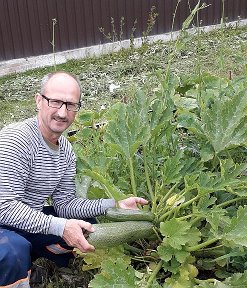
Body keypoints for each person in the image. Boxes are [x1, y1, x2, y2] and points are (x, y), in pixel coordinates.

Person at [0, 71, 148, 287]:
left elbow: (66, 205)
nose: (62, 112)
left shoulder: (66, 151)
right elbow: (4, 207)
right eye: (55, 102)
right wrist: (60, 227)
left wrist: (115, 205)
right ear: (38, 100)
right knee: (12, 251)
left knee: (87, 229)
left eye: (70, 105)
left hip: (22, 221)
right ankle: (17, 269)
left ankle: (31, 262)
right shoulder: (16, 140)